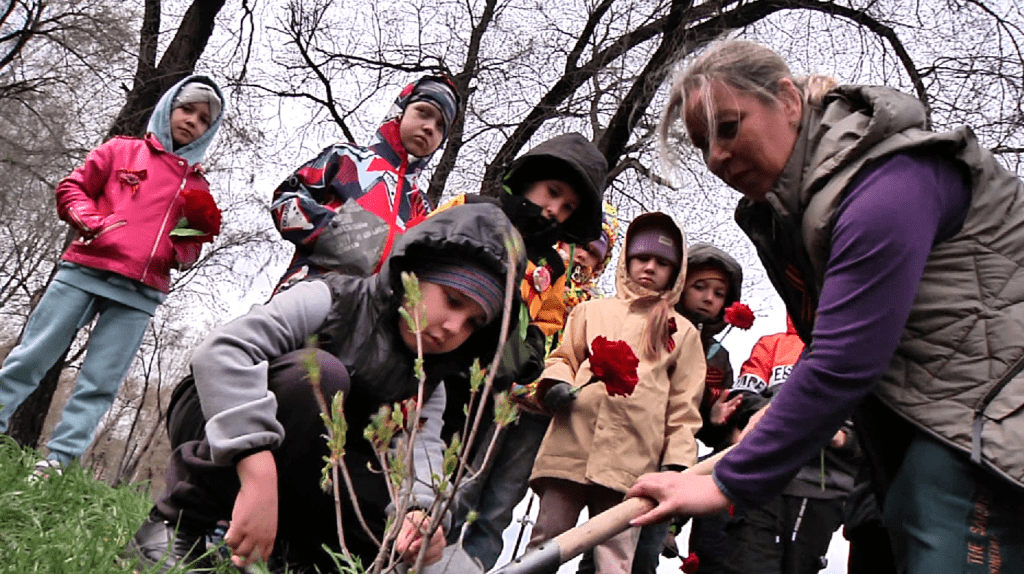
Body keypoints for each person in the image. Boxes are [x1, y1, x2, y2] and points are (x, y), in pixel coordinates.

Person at [629, 38, 1024, 574]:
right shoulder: (793, 216)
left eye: (728, 126)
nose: (716, 156)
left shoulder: (886, 184)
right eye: (702, 143)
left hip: (989, 417)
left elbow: (842, 361)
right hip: (926, 423)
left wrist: (725, 482)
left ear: (788, 101)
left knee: (933, 514)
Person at [124, 203, 527, 574]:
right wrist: (256, 464)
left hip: (314, 460)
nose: (456, 327)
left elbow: (425, 454)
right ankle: (182, 526)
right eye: (453, 300)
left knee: (380, 498)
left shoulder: (428, 380)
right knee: (319, 377)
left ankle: (296, 555)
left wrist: (421, 513)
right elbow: (223, 353)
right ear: (413, 277)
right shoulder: (331, 299)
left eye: (474, 322)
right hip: (217, 417)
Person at [0, 76, 225, 474]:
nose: (192, 121)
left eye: (204, 119)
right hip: (84, 269)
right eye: (186, 109)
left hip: (140, 294)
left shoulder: (197, 186)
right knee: (32, 356)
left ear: (210, 129)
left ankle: (56, 464)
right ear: (168, 107)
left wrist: (180, 250)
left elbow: (190, 241)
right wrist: (90, 220)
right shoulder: (122, 150)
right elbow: (73, 187)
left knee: (100, 384)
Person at [431, 132, 607, 572]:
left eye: (567, 208)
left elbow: (548, 325)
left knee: (474, 483)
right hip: (435, 365)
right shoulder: (471, 207)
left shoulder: (553, 266)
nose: (553, 210)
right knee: (437, 480)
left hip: (495, 388)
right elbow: (420, 253)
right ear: (529, 178)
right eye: (552, 193)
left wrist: (526, 354)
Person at [529, 212, 706, 574]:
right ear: (626, 259)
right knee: (544, 543)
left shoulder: (683, 333)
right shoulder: (590, 311)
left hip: (631, 465)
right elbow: (564, 357)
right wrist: (555, 385)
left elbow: (683, 409)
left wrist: (676, 463)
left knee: (615, 559)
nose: (650, 267)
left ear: (676, 271)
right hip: (571, 446)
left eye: (662, 262)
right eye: (642, 258)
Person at [270, 74, 460, 291]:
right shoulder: (346, 157)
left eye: (440, 126)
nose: (429, 127)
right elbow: (285, 199)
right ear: (401, 111)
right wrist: (351, 238)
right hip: (308, 291)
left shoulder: (423, 208)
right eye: (423, 112)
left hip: (370, 317)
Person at [724, 315, 857, 574]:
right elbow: (743, 399)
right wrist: (794, 421)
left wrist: (842, 437)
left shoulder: (860, 350)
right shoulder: (771, 345)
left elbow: (872, 426)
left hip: (824, 492)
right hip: (762, 482)